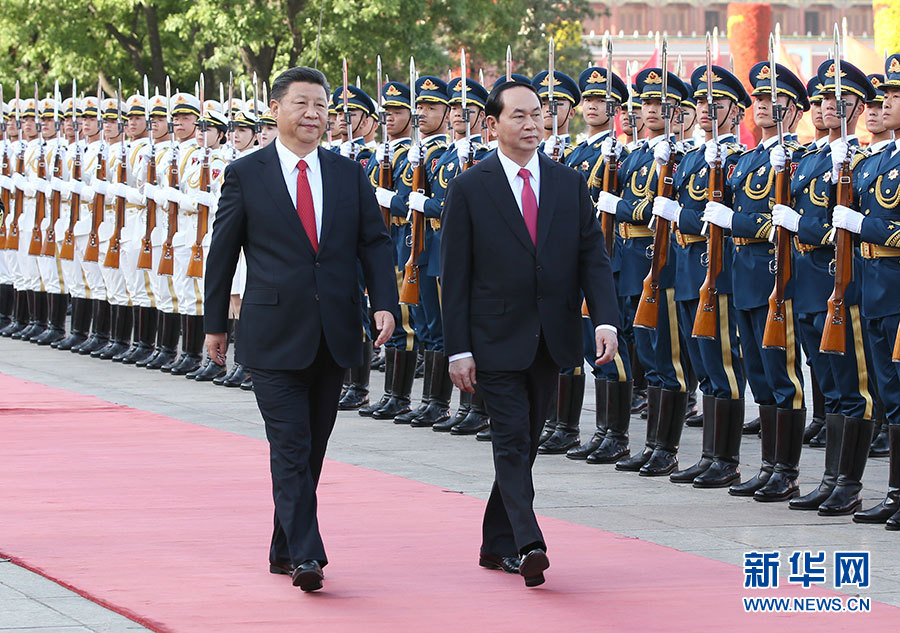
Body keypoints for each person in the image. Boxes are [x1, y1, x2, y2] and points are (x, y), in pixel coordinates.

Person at [204, 66, 398, 591]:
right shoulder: (246, 174)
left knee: (311, 449)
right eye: (301, 104)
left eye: (321, 106)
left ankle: (283, 547)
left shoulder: (347, 173)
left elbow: (374, 243)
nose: (313, 114)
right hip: (272, 332)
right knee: (290, 444)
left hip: (334, 331)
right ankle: (308, 555)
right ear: (276, 109)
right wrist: (215, 324)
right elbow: (222, 254)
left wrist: (385, 303)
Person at [440, 78, 618, 587]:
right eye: (518, 115)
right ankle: (527, 542)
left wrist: (605, 320)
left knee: (528, 440)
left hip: (551, 336)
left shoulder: (568, 183)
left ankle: (495, 543)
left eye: (537, 113)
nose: (531, 123)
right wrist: (458, 349)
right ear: (492, 124)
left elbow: (592, 258)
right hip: (493, 338)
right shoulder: (470, 187)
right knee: (512, 439)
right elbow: (454, 277)